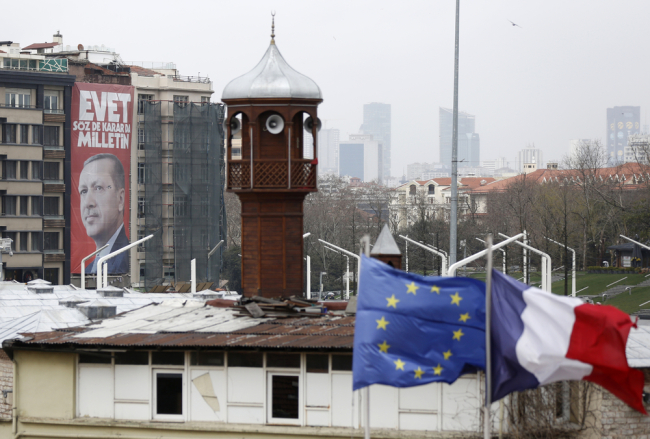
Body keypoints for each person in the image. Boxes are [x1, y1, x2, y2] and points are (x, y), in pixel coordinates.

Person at [79, 153, 129, 274]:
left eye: (98, 188)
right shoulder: (88, 270)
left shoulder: (127, 262)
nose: (88, 203)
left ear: (120, 199)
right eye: (84, 191)